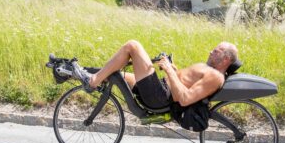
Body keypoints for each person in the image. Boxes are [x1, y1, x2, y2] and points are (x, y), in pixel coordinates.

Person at [72, 40, 238, 109]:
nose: (211, 51)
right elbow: (183, 83)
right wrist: (172, 69)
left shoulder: (216, 77)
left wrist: (168, 70)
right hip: (160, 88)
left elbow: (185, 98)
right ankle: (71, 72)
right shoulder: (208, 70)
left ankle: (92, 82)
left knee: (133, 46)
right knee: (115, 74)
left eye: (216, 51)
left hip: (159, 96)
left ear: (226, 59)